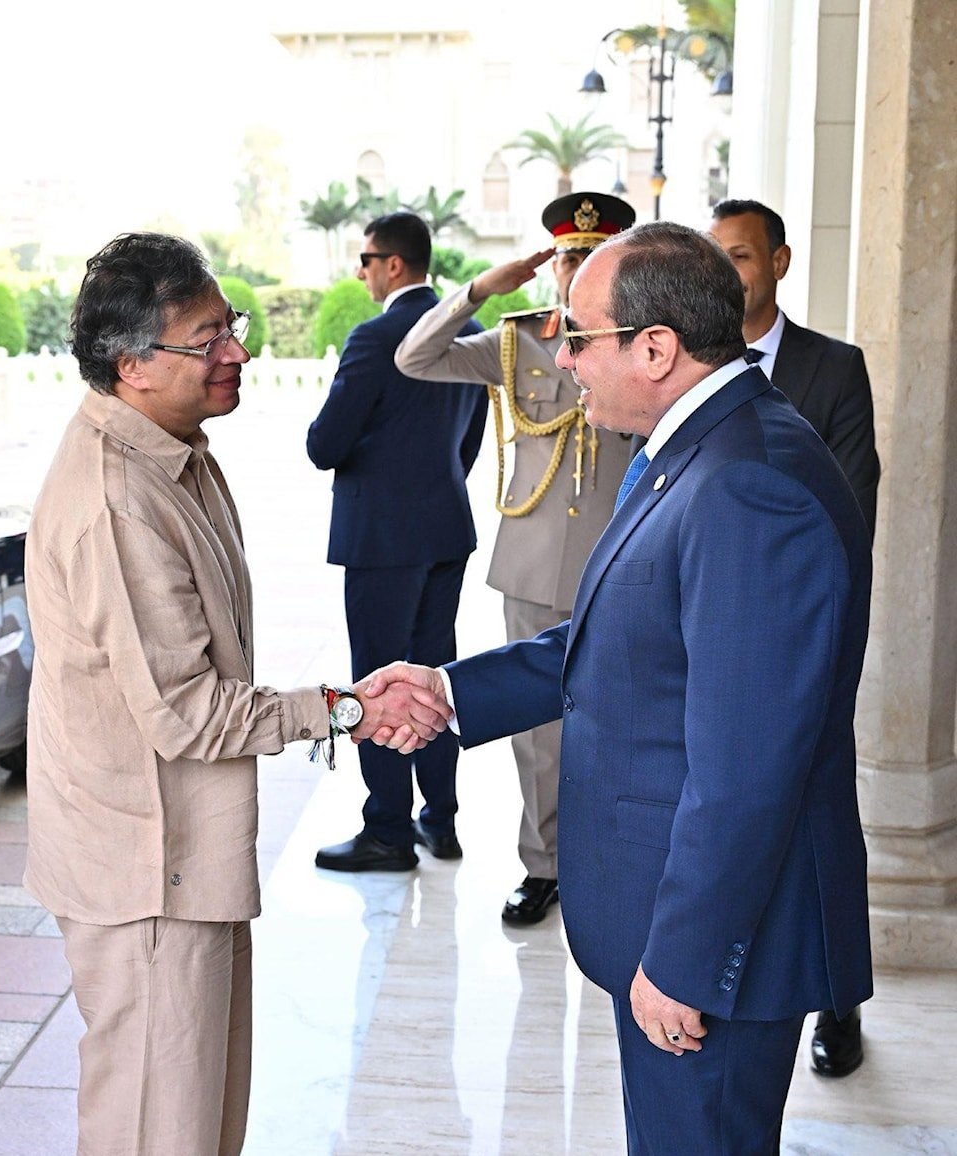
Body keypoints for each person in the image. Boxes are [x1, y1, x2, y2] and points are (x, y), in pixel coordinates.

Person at [366, 222, 874, 1155]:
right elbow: (618, 642)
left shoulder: (747, 485)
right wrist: (449, 690)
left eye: (578, 337)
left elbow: (747, 769)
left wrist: (685, 960)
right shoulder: (697, 446)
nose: (561, 357)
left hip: (716, 954)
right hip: (670, 921)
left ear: (655, 347)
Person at [22, 232, 450, 1156]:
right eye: (206, 339)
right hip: (144, 871)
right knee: (156, 1127)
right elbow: (189, 711)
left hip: (184, 855)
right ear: (131, 364)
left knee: (204, 1120)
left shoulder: (174, 449)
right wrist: (347, 708)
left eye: (233, 327)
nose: (238, 353)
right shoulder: (118, 501)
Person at [395, 191, 636, 925]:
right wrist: (477, 290)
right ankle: (544, 866)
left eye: (593, 258)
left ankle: (616, 862)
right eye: (568, 257)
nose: (575, 270)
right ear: (550, 265)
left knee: (623, 722)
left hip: (619, 563)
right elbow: (415, 357)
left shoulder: (646, 341)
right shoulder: (516, 340)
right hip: (531, 563)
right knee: (537, 734)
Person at [709, 197, 880, 1077]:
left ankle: (838, 998)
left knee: (817, 814)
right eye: (715, 258)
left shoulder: (834, 369)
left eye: (739, 256)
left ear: (779, 261)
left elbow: (851, 512)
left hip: (805, 642)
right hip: (715, 640)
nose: (727, 273)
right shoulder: (693, 367)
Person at [307, 211, 488, 873]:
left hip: (383, 536)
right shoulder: (468, 332)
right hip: (446, 527)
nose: (359, 271)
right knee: (437, 679)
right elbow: (467, 443)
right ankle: (440, 821)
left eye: (365, 258)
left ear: (393, 264)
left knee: (380, 682)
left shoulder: (375, 337)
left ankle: (387, 829)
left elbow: (325, 446)